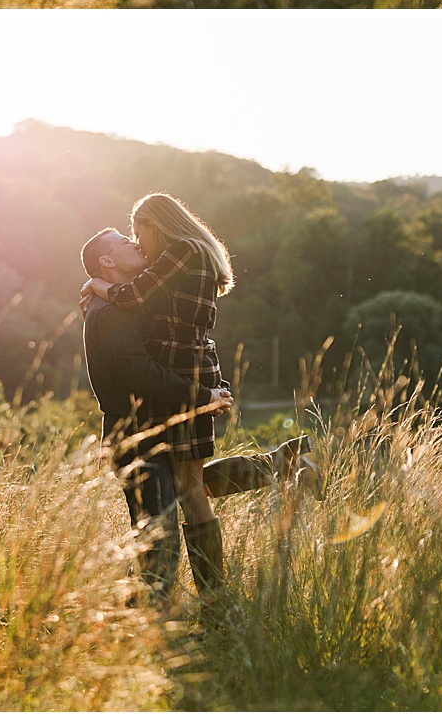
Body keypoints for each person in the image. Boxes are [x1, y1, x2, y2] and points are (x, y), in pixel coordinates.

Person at [79, 194, 317, 595]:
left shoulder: (173, 262)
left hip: (170, 397)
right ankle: (276, 466)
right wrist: (203, 392)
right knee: (183, 491)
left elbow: (137, 299)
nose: (137, 242)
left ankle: (205, 600)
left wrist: (97, 285)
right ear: (108, 260)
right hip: (151, 414)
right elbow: (143, 365)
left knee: (186, 489)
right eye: (128, 239)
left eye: (139, 232)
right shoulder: (121, 306)